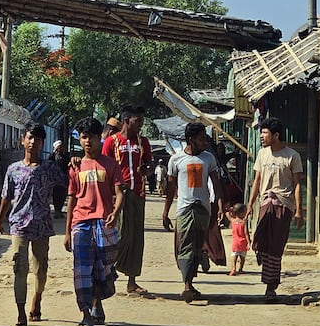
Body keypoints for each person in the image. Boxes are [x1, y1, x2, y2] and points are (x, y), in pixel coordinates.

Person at [0, 121, 58, 326]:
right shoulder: (13, 169)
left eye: (37, 139)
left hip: (42, 225)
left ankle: (37, 298)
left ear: (42, 143)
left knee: (40, 270)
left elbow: (70, 181)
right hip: (19, 225)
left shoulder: (49, 168)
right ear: (23, 140)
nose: (33, 142)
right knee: (19, 269)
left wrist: (75, 162)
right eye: (30, 138)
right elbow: (6, 197)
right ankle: (21, 313)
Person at [64, 117, 124, 326]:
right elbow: (72, 198)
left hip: (104, 223)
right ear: (80, 140)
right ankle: (85, 314)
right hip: (81, 223)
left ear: (101, 138)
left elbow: (119, 192)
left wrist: (115, 212)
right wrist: (67, 231)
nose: (88, 141)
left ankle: (98, 304)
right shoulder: (76, 166)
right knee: (82, 269)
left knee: (102, 268)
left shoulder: (110, 164)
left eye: (92, 137)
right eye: (84, 137)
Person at [162, 123, 224, 302]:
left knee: (197, 245)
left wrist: (219, 205)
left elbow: (216, 184)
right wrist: (165, 212)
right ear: (191, 140)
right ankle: (187, 285)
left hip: (203, 209)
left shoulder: (209, 159)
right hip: (184, 209)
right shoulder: (176, 160)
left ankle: (190, 282)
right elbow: (170, 188)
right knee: (185, 245)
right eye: (201, 139)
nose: (204, 142)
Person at [246, 117, 303, 302]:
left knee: (276, 247)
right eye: (261, 133)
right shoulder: (262, 154)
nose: (262, 136)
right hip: (265, 203)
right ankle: (261, 252)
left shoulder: (292, 156)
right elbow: (257, 180)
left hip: (283, 205)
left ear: (276, 135)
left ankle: (271, 287)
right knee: (260, 239)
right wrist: (250, 205)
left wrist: (299, 211)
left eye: (265, 133)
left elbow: (297, 185)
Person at [101, 104, 152, 295]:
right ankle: (110, 270)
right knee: (120, 235)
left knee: (136, 237)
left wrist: (146, 169)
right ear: (126, 120)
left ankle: (132, 281)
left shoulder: (143, 142)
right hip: (117, 196)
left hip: (138, 194)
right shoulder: (111, 142)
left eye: (142, 121)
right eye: (137, 120)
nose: (140, 124)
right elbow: (104, 168)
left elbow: (148, 163)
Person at [225, 203, 251, 275]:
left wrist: (230, 210)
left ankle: (233, 268)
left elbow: (226, 213)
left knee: (234, 255)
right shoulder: (244, 222)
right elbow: (246, 233)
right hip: (243, 242)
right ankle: (241, 269)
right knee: (242, 257)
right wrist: (249, 242)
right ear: (242, 213)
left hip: (235, 242)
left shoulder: (232, 221)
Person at [48, 140, 69, 218]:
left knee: (62, 195)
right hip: (55, 179)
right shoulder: (52, 156)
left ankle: (60, 210)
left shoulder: (66, 157)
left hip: (63, 178)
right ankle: (57, 211)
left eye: (62, 147)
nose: (61, 149)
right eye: (59, 147)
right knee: (55, 195)